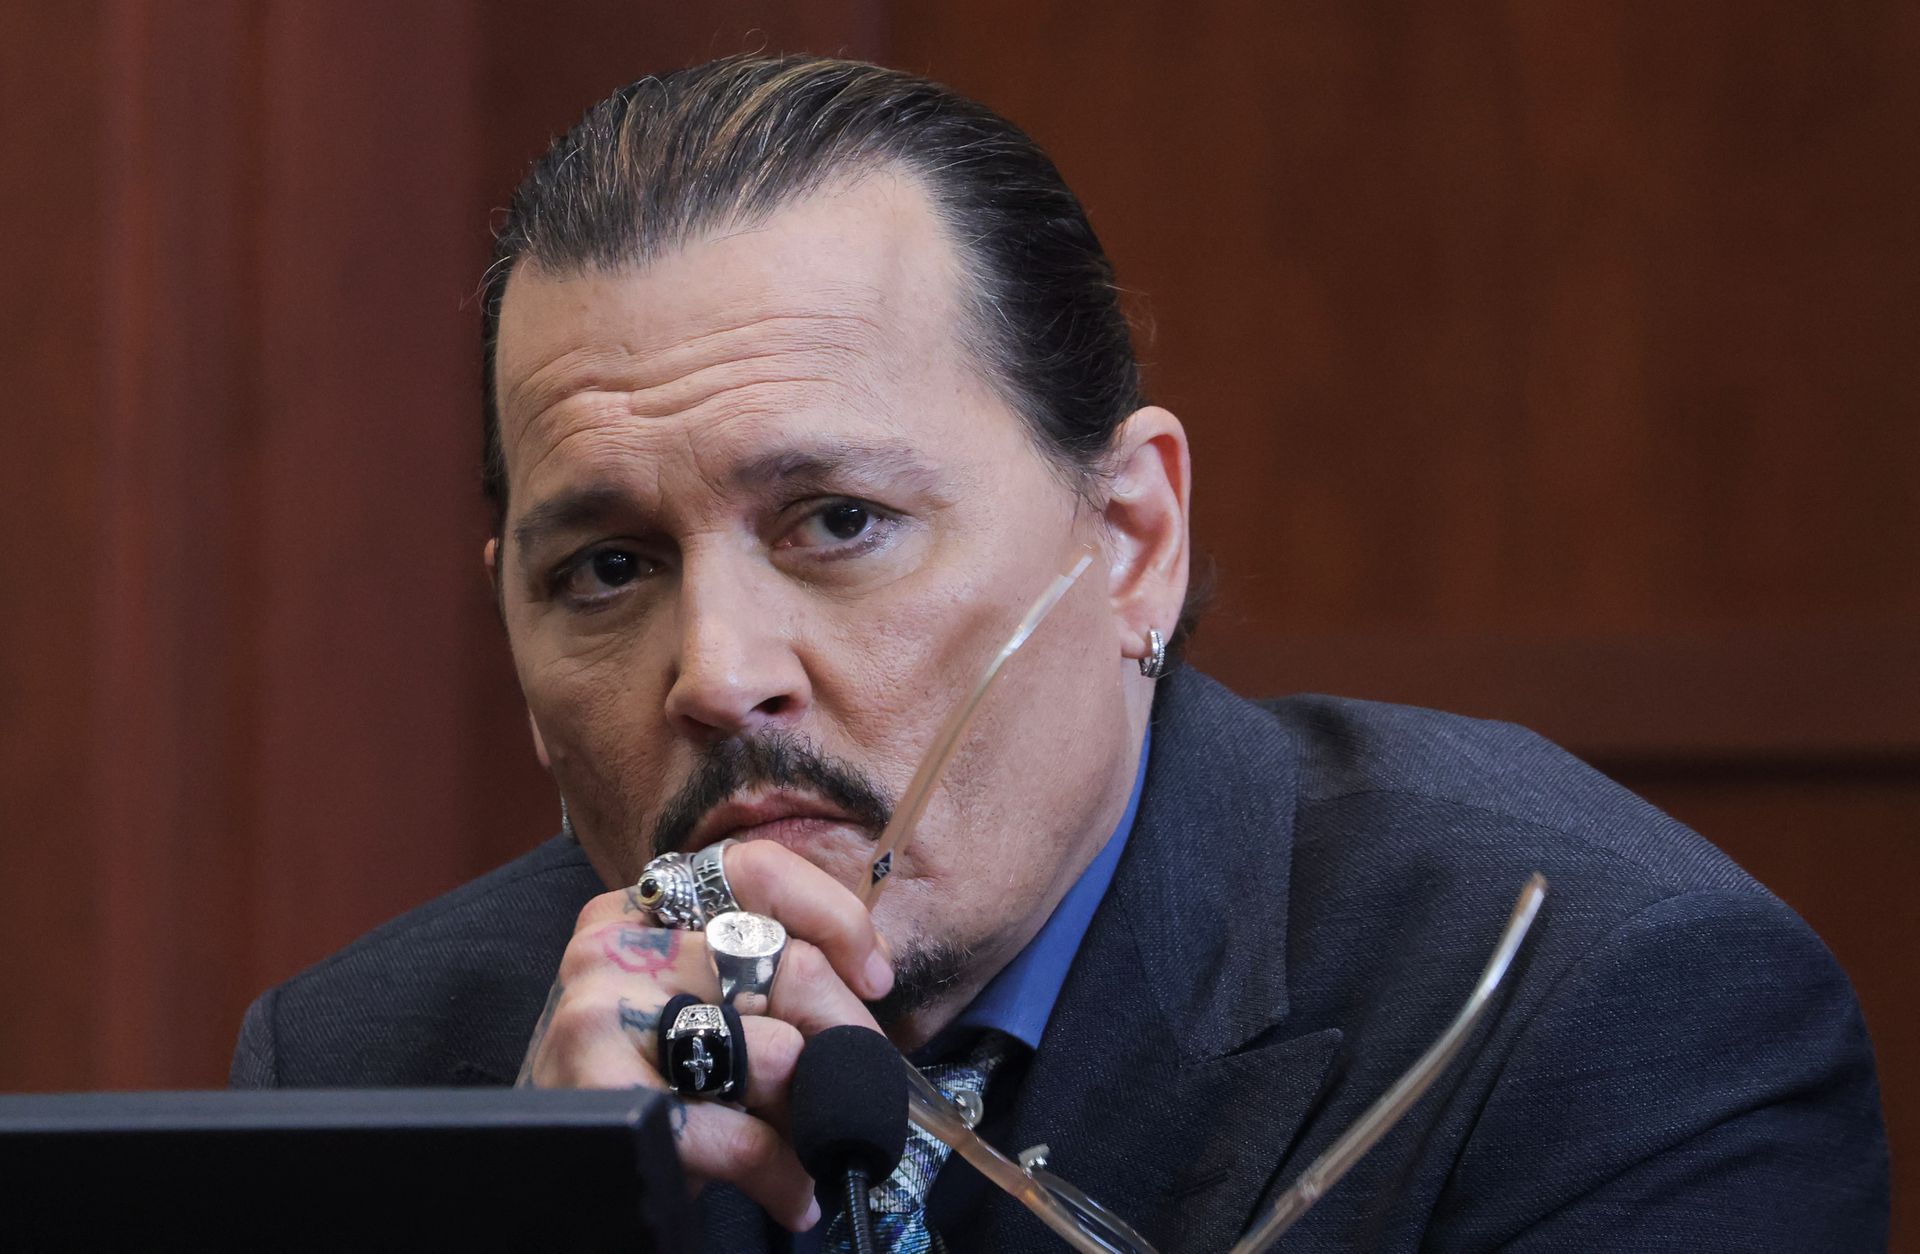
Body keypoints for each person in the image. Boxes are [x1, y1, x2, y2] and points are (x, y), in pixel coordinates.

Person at [230, 55, 1889, 1251]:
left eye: (837, 522)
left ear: (1131, 540)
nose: (718, 672)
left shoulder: (1590, 1010)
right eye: (605, 567)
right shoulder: (373, 1067)